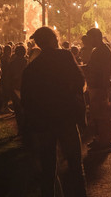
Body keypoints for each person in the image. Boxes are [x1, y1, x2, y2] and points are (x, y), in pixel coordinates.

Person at [21, 26, 87, 197]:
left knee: (48, 169)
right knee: (75, 165)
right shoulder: (64, 56)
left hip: (44, 122)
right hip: (66, 118)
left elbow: (26, 100)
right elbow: (80, 80)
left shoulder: (32, 68)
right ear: (52, 40)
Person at [83, 28, 111, 153]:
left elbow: (106, 70)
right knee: (96, 115)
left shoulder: (103, 51)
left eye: (90, 38)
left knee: (102, 116)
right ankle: (99, 139)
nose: (88, 41)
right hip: (95, 86)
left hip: (100, 86)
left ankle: (105, 142)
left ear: (96, 37)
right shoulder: (97, 50)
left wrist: (105, 86)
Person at [9, 44, 28, 135]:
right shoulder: (27, 63)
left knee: (17, 110)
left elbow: (9, 76)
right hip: (25, 88)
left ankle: (20, 128)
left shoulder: (12, 63)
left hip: (15, 87)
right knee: (25, 109)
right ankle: (26, 128)